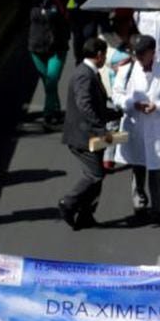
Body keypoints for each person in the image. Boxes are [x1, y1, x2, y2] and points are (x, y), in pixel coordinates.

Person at [113, 34, 160, 221]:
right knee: (138, 166)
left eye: (143, 54)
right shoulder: (127, 70)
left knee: (156, 169)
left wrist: (157, 106)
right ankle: (139, 202)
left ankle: (158, 208)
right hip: (135, 125)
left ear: (152, 53)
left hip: (155, 127)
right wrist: (133, 103)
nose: (139, 58)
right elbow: (116, 95)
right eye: (137, 54)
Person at [59, 36, 111, 230]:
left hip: (90, 136)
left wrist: (115, 112)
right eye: (104, 55)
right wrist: (101, 129)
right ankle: (69, 203)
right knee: (95, 175)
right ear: (99, 55)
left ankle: (86, 215)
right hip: (83, 137)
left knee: (97, 176)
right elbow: (85, 105)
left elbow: (95, 104)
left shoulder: (90, 73)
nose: (105, 58)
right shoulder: (84, 74)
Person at [28, 0, 70, 126]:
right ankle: (56, 109)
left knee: (51, 80)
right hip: (36, 48)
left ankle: (48, 113)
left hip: (57, 48)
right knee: (47, 83)